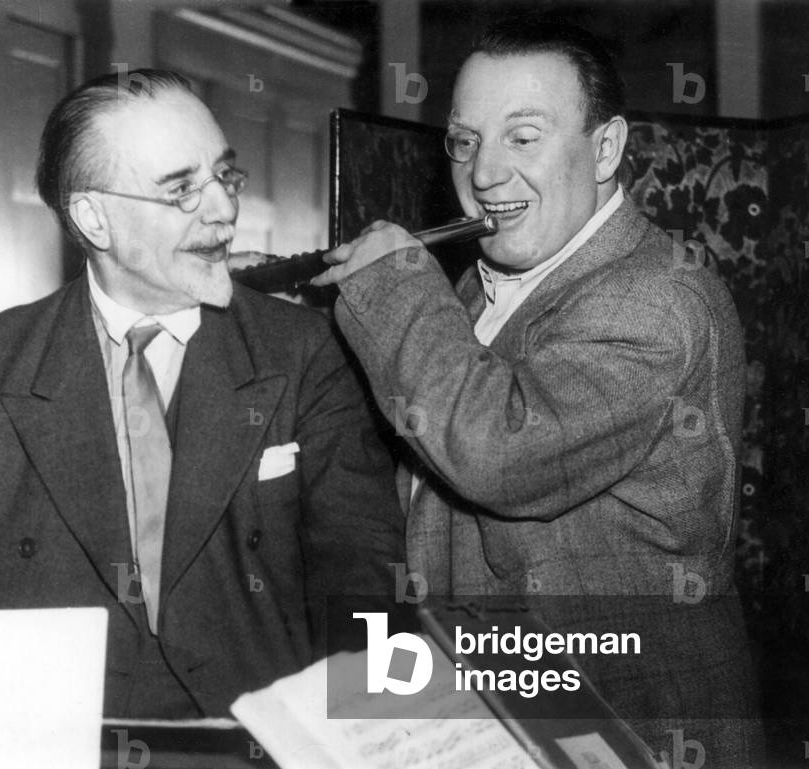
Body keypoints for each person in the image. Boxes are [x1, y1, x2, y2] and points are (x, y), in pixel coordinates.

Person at [0, 69, 405, 718]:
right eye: (181, 191)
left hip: (252, 742)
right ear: (93, 217)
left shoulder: (304, 351)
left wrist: (367, 733)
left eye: (224, 175)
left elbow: (363, 578)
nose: (224, 208)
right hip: (61, 740)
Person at [313, 18, 762, 766]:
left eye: (522, 137)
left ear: (606, 149)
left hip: (633, 722)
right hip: (509, 698)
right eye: (464, 140)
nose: (483, 172)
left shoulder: (653, 298)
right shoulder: (482, 285)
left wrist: (391, 287)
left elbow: (500, 453)